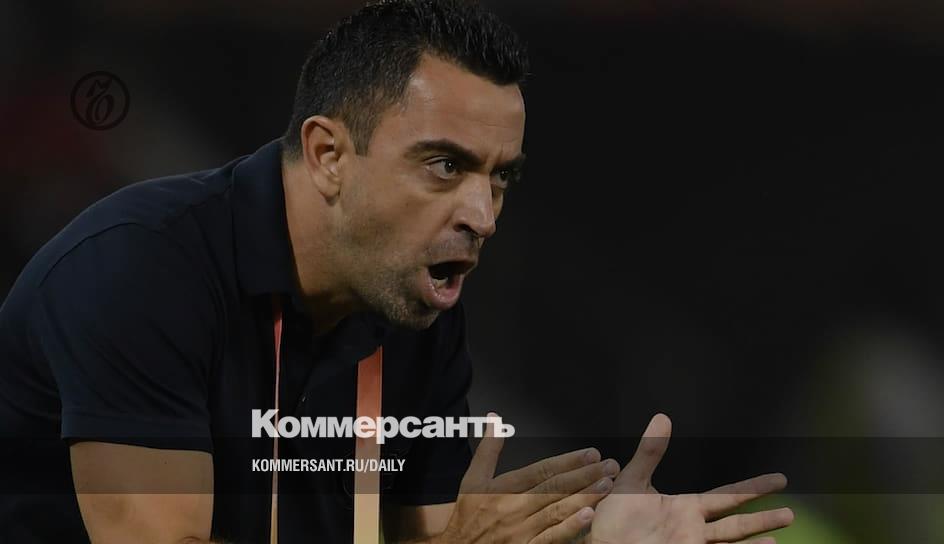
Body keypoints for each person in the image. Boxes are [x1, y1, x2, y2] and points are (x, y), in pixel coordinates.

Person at [0, 1, 793, 542]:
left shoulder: (411, 306)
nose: (483, 215)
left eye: (501, 177)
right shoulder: (137, 271)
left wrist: (585, 538)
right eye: (446, 165)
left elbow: (432, 532)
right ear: (328, 155)